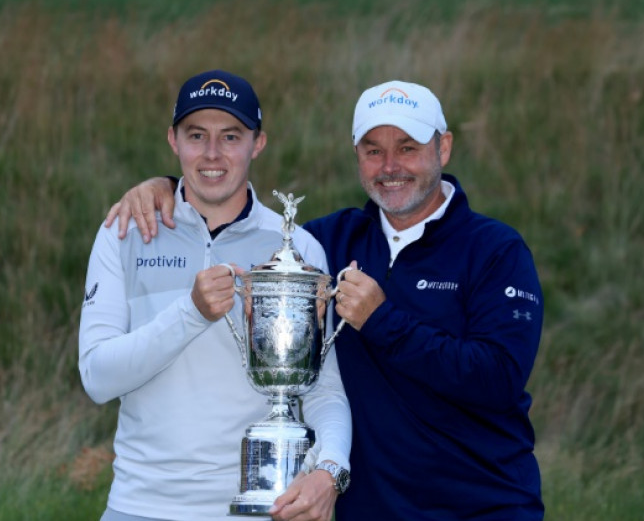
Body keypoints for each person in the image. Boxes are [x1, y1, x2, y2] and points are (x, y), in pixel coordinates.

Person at [107, 80, 545, 520]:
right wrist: (168, 189)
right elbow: (244, 216)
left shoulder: (495, 251)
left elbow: (499, 378)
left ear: (443, 147)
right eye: (373, 150)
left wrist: (381, 321)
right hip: (370, 510)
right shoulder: (326, 242)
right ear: (357, 155)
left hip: (485, 505)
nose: (390, 166)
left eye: (408, 147)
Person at [79, 69, 352, 521]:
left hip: (262, 509)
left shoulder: (297, 248)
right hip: (140, 506)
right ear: (173, 140)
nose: (211, 154)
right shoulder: (125, 232)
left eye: (230, 136)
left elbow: (323, 391)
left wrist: (330, 469)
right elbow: (97, 377)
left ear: (257, 143)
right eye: (196, 135)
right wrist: (191, 313)